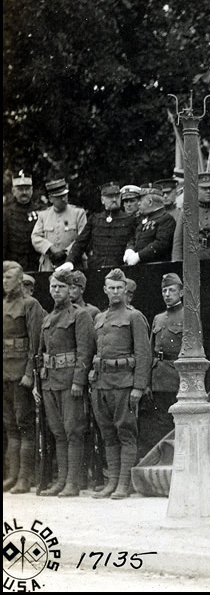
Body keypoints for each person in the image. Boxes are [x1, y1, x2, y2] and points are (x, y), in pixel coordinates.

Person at [89, 268, 151, 499]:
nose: (115, 292)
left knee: (125, 432)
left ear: (126, 290)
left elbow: (144, 353)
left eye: (119, 288)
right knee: (107, 433)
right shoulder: (99, 318)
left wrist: (138, 386)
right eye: (111, 288)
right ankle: (111, 481)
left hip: (124, 383)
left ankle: (123, 484)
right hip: (101, 383)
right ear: (105, 290)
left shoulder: (134, 317)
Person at [37, 268, 94, 497]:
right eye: (53, 286)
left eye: (61, 286)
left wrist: (79, 381)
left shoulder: (79, 315)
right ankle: (61, 480)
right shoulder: (48, 318)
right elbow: (42, 352)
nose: (56, 291)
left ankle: (73, 482)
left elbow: (84, 351)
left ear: (71, 290)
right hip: (50, 382)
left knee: (73, 432)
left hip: (71, 382)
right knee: (58, 432)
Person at [2, 261, 45, 493]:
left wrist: (30, 373)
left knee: (24, 425)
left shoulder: (30, 305)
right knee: (9, 426)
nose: (4, 282)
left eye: (8, 278)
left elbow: (35, 344)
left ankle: (25, 478)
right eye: (3, 278)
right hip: (4, 374)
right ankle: (12, 475)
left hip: (21, 375)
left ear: (20, 281)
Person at [139, 273, 183, 459]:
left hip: (177, 378)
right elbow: (149, 352)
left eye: (171, 290)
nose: (167, 294)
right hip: (158, 378)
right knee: (159, 423)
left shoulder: (189, 316)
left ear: (181, 293)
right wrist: (147, 383)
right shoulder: (158, 318)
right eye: (164, 290)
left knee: (177, 423)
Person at [63, 182, 137, 272]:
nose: (114, 199)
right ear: (102, 200)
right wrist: (69, 261)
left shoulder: (129, 220)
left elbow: (133, 241)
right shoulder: (95, 219)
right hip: (96, 268)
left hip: (120, 269)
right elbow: (80, 242)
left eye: (117, 196)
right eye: (110, 197)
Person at [31, 178, 87, 272]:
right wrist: (51, 248)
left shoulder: (78, 213)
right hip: (49, 265)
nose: (64, 199)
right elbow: (35, 237)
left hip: (73, 264)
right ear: (50, 198)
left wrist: (66, 252)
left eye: (65, 195)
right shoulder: (44, 215)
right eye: (59, 197)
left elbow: (83, 237)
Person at [172, 173, 210, 261]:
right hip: (192, 258)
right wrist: (177, 263)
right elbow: (178, 241)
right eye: (204, 188)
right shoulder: (186, 212)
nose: (208, 191)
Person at [123, 188, 176, 265]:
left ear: (150, 202)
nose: (138, 203)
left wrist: (139, 256)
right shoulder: (143, 218)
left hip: (156, 266)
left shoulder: (166, 219)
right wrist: (129, 250)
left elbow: (161, 244)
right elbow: (134, 238)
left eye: (141, 200)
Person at [3, 172, 42, 273]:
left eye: (27, 189)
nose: (24, 192)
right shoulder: (6, 213)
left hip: (36, 264)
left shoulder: (41, 211)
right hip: (13, 265)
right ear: (13, 191)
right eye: (20, 189)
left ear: (32, 190)